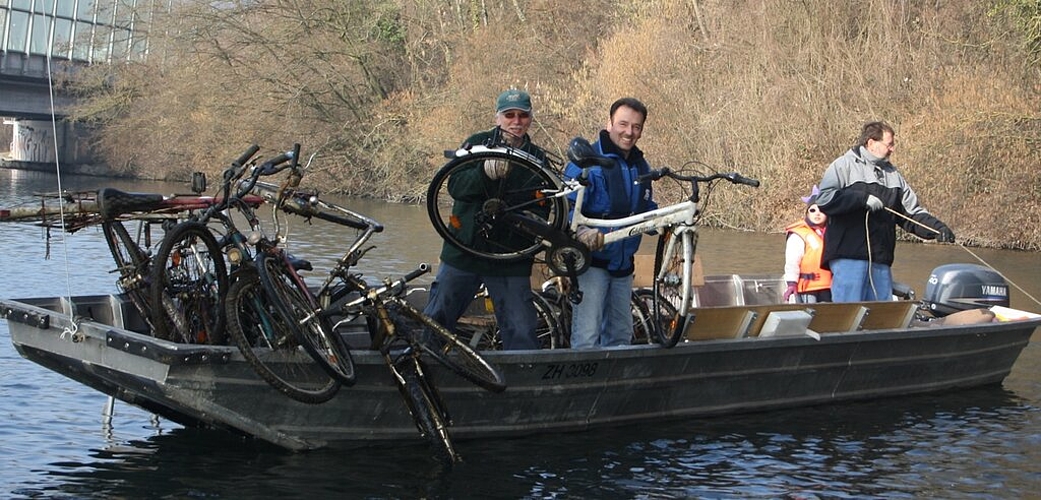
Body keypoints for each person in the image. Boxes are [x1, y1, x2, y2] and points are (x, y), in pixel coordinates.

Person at [422, 89, 545, 350]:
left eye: (523, 115)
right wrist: (483, 172)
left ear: (530, 119)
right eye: (509, 115)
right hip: (464, 250)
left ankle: (523, 379)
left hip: (511, 258)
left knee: (521, 329)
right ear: (497, 118)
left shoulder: (539, 158)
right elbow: (455, 186)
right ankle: (423, 365)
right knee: (438, 315)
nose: (516, 121)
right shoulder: (476, 143)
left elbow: (544, 209)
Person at [815, 121, 955, 302]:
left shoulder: (893, 175)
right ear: (871, 143)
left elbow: (911, 214)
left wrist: (938, 229)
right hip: (848, 257)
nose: (893, 149)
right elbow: (824, 199)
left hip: (880, 259)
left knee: (881, 315)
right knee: (846, 315)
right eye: (889, 144)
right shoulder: (843, 166)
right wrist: (860, 199)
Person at [563, 97, 658, 349]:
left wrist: (661, 220)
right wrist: (581, 231)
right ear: (609, 123)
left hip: (623, 267)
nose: (629, 132)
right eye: (623, 124)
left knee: (621, 336)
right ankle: (584, 386)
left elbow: (645, 206)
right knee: (586, 336)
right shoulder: (585, 162)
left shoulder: (640, 165)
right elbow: (564, 209)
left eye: (636, 127)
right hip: (592, 264)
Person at [783, 185, 832, 303]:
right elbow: (792, 262)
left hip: (828, 287)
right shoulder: (798, 234)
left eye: (822, 210)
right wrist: (791, 284)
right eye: (813, 210)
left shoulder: (831, 233)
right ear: (807, 213)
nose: (817, 213)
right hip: (807, 288)